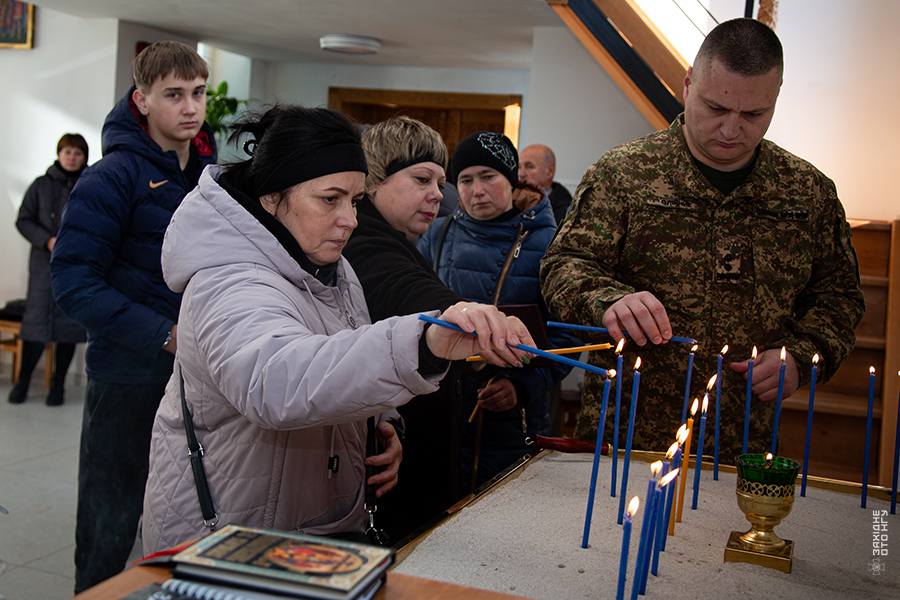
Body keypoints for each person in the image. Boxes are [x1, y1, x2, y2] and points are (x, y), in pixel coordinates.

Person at [141, 105, 533, 554]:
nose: (349, 218)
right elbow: (274, 381)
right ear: (272, 197)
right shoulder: (228, 279)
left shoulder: (332, 267)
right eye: (331, 199)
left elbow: (340, 353)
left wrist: (380, 423)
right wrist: (423, 340)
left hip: (303, 532)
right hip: (230, 539)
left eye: (355, 200)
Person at [540, 18, 864, 464]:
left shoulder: (807, 193)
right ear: (688, 84)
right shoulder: (623, 174)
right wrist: (608, 300)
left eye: (754, 115)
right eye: (716, 108)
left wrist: (801, 357)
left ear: (775, 99)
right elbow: (563, 265)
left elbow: (840, 298)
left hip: (743, 445)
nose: (732, 130)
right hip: (629, 438)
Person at [50, 42, 216, 592]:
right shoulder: (111, 177)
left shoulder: (210, 177)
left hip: (198, 374)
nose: (190, 108)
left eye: (198, 93)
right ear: (142, 100)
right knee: (110, 520)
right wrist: (162, 334)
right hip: (127, 373)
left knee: (185, 515)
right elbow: (73, 283)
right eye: (174, 95)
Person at [419, 131, 572, 487]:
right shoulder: (436, 235)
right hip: (443, 411)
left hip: (514, 419)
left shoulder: (549, 242)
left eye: (488, 177)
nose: (477, 190)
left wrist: (521, 385)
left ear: (511, 180)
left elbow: (567, 334)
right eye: (466, 180)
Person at [342, 116, 465, 542]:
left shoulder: (395, 241)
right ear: (375, 181)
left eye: (440, 182)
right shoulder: (365, 243)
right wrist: (464, 315)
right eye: (421, 179)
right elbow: (403, 288)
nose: (437, 195)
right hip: (393, 475)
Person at [11, 133, 89, 406]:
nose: (72, 157)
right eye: (67, 152)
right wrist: (47, 239)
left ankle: (58, 386)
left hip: (77, 266)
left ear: (84, 157)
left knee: (68, 326)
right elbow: (23, 220)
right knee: (35, 325)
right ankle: (23, 382)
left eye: (77, 153)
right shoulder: (40, 185)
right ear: (58, 154)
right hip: (44, 266)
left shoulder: (90, 184)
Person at [518, 143, 572, 226]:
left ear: (549, 172)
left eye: (529, 166)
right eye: (519, 167)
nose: (521, 174)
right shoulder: (510, 199)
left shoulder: (566, 212)